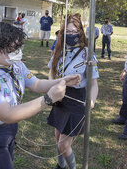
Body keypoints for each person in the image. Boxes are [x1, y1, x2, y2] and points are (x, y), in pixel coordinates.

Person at [0, 22, 81, 169]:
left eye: (19, 47)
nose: (18, 52)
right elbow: (7, 114)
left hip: (7, 130)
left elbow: (36, 84)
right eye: (13, 48)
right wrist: (48, 99)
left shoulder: (14, 64)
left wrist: (63, 80)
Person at [47, 14, 99, 169]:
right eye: (68, 32)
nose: (71, 35)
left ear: (80, 32)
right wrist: (53, 86)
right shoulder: (59, 50)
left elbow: (94, 84)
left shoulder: (87, 54)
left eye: (74, 31)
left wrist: (92, 101)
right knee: (57, 138)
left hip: (77, 100)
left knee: (64, 144)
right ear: (63, 33)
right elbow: (52, 71)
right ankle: (60, 165)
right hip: (60, 97)